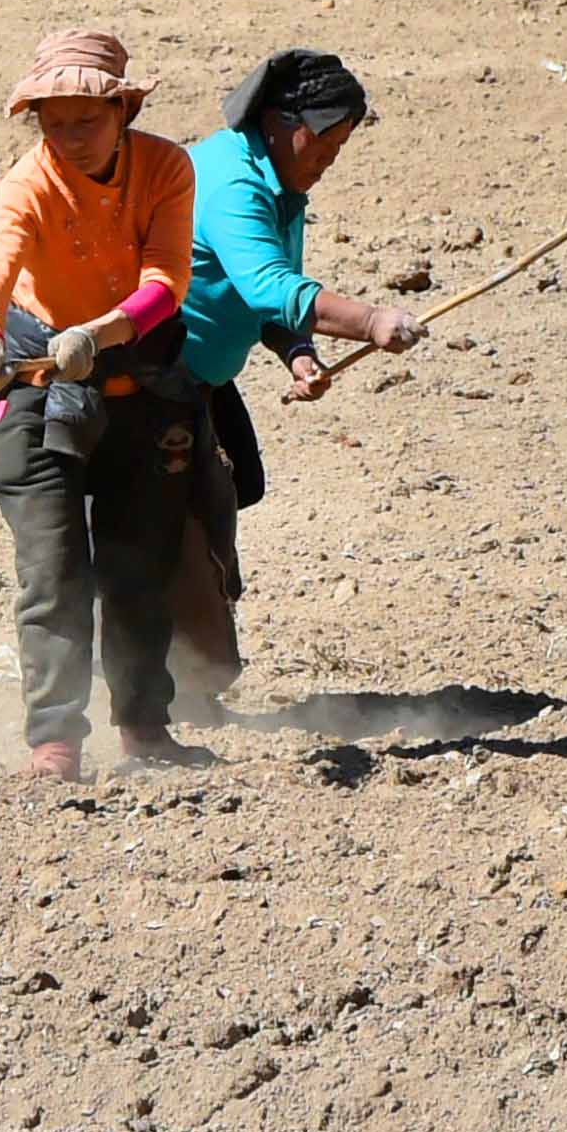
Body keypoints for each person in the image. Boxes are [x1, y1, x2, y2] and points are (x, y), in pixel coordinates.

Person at [0, 28, 208, 782]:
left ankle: (144, 727)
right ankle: (55, 743)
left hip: (140, 385)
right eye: (51, 122)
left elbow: (167, 281)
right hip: (39, 390)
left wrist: (99, 335)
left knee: (139, 571)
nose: (66, 139)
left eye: (84, 122)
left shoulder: (167, 168)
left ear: (123, 112)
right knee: (53, 572)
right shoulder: (25, 185)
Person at [170, 47, 424, 719]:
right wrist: (370, 321)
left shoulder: (283, 188)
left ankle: (189, 687)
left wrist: (299, 353)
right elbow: (270, 285)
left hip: (200, 381)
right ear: (284, 124)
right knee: (184, 525)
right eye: (324, 143)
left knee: (230, 494)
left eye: (340, 148)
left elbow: (271, 306)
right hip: (152, 382)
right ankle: (170, 691)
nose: (329, 160)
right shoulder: (231, 182)